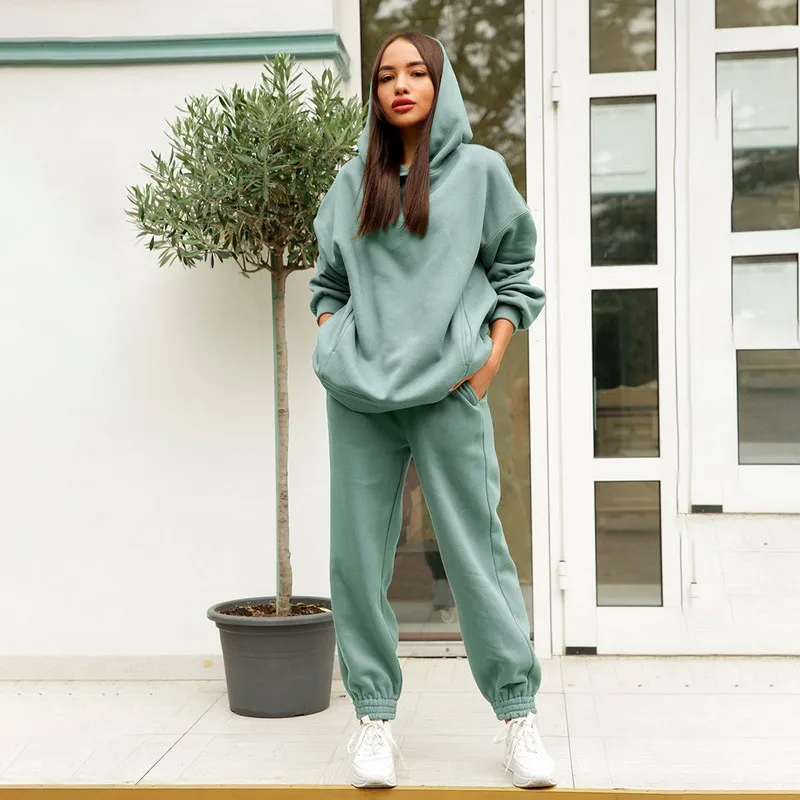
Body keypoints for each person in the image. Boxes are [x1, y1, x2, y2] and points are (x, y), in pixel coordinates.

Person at [309, 30, 555, 790]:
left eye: (417, 72)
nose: (401, 85)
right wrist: (335, 344)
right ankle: (374, 720)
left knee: (477, 553)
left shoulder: (480, 172)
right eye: (387, 76)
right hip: (361, 396)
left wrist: (489, 360)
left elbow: (515, 269)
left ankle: (518, 715)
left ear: (440, 86)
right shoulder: (352, 181)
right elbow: (328, 284)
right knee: (358, 560)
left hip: (449, 390)